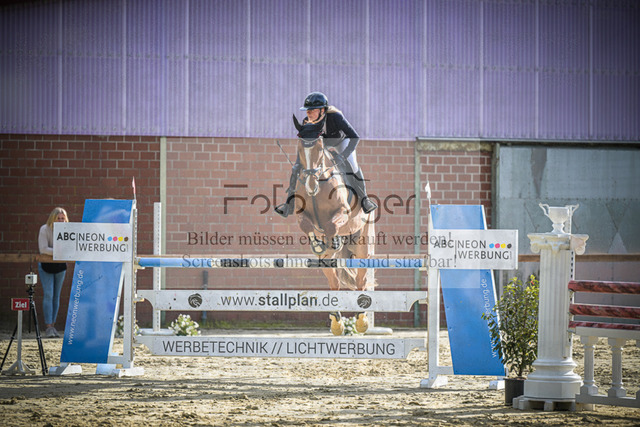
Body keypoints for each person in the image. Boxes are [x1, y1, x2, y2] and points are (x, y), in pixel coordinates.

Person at [275, 91, 378, 217]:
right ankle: (289, 204)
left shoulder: (335, 117)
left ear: (322, 110)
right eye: (307, 111)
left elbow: (355, 137)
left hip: (341, 142)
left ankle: (364, 199)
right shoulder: (307, 122)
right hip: (322, 146)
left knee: (353, 165)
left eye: (312, 110)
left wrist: (343, 155)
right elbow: (306, 144)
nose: (308, 113)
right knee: (296, 167)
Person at [37, 207, 69, 338]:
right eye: (58, 218)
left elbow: (70, 248)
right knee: (48, 294)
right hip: (46, 265)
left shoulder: (68, 230)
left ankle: (53, 325)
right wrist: (60, 252)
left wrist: (61, 252)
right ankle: (48, 326)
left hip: (60, 266)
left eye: (63, 218)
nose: (61, 221)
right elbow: (43, 249)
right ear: (53, 218)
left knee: (56, 295)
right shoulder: (44, 229)